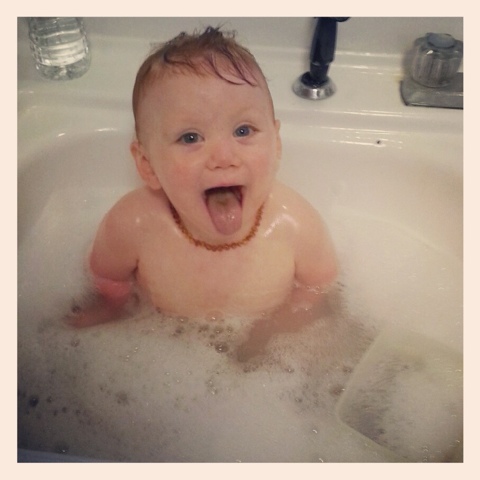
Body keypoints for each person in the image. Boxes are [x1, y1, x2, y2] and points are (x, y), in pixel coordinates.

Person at [69, 27, 338, 334]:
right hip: (155, 344)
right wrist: (109, 306)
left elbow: (318, 289)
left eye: (243, 131)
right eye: (190, 137)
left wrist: (275, 335)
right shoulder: (132, 225)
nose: (223, 156)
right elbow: (108, 281)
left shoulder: (297, 225)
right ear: (148, 165)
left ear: (276, 145)